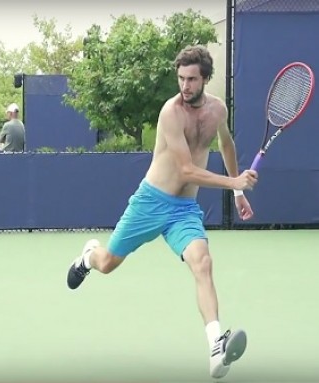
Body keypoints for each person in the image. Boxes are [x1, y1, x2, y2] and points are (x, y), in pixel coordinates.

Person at [66, 45, 258, 380]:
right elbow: (185, 169)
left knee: (203, 262)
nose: (185, 85)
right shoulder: (171, 112)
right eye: (181, 78)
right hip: (151, 202)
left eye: (192, 79)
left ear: (206, 79)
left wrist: (239, 190)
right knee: (108, 263)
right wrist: (233, 182)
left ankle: (216, 346)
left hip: (184, 210)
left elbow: (225, 143)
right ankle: (87, 257)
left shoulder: (218, 111)